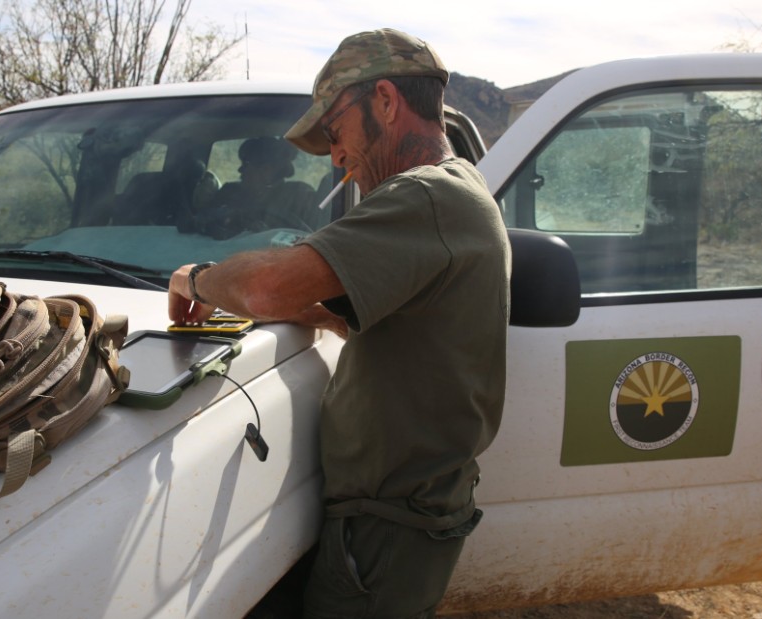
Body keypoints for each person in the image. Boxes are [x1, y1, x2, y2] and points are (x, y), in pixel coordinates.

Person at [167, 28, 510, 618]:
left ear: (385, 100)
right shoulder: (456, 191)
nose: (336, 156)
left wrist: (195, 278)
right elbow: (408, 328)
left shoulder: (426, 196)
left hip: (385, 528)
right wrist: (323, 315)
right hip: (396, 517)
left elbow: (265, 286)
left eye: (335, 130)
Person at [185, 136, 317, 238]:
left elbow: (310, 238)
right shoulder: (229, 192)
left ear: (267, 170)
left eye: (246, 164)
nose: (240, 170)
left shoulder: (300, 196)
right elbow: (201, 222)